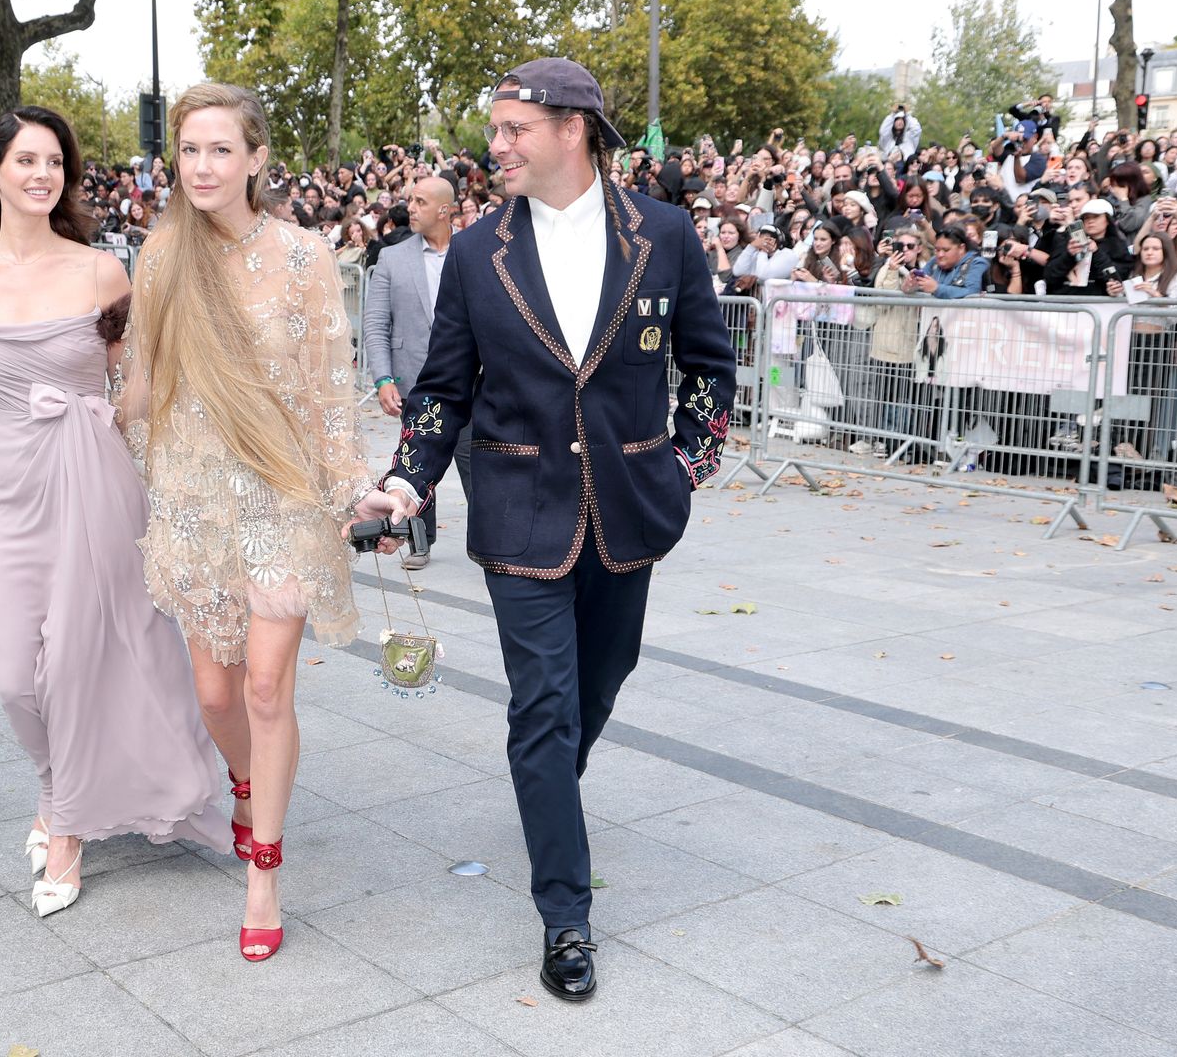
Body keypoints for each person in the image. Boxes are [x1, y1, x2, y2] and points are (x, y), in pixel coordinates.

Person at [356, 58, 735, 1003]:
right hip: (520, 512)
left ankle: (545, 795)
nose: (498, 146)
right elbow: (443, 390)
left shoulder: (669, 235)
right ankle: (565, 913)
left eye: (514, 129)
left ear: (575, 129)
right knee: (543, 707)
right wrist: (406, 480)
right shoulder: (479, 252)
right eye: (495, 131)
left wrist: (683, 468)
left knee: (598, 688)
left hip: (632, 512)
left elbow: (711, 374)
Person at [0, 106, 228, 919]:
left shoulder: (99, 273)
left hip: (95, 475)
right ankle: (56, 793)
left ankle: (68, 827)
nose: (43, 175)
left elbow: (136, 384)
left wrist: (145, 431)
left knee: (83, 662)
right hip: (15, 486)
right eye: (26, 161)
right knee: (19, 678)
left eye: (54, 163)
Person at [117, 83, 401, 962]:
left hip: (280, 494)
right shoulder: (160, 257)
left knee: (268, 687)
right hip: (195, 497)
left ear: (256, 159)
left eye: (220, 150)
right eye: (189, 151)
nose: (202, 166)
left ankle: (264, 873)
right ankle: (242, 783)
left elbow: (327, 387)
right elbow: (144, 380)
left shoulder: (307, 254)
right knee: (215, 693)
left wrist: (352, 485)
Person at [362, 175, 469, 569]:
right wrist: (383, 378)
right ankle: (419, 542)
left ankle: (490, 542)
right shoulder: (393, 257)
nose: (411, 207)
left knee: (477, 461)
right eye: (411, 200)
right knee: (418, 459)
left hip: (472, 381)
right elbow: (375, 323)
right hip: (415, 379)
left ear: (444, 210)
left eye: (421, 201)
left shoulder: (473, 251)